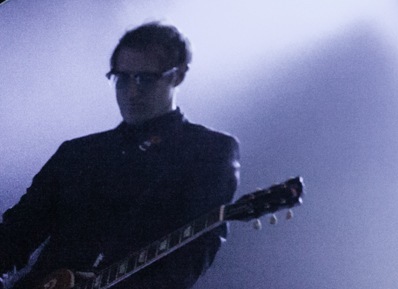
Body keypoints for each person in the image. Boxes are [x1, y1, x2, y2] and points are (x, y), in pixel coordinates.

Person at [0, 23, 240, 289]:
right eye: (122, 79)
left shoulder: (208, 151)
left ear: (178, 76)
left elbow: (189, 261)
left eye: (145, 79)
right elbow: (15, 234)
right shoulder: (77, 153)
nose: (132, 92)